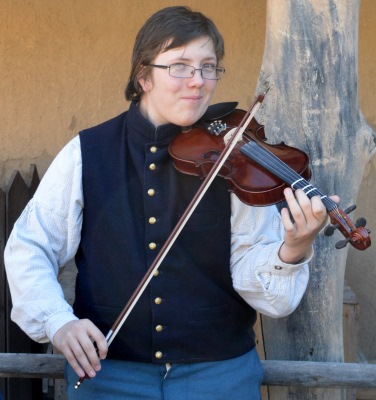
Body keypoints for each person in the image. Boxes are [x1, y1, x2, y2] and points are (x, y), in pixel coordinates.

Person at [4, 6, 336, 399]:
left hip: (219, 377)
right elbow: (29, 247)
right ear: (143, 75)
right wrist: (58, 322)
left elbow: (261, 286)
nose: (198, 82)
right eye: (180, 66)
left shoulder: (235, 159)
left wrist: (293, 250)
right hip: (109, 377)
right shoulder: (86, 153)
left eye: (208, 66)